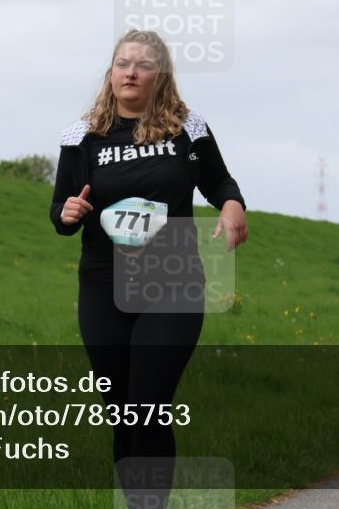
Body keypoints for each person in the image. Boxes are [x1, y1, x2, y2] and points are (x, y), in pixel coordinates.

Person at [50, 29, 247, 506]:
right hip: (103, 285)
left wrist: (232, 205)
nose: (131, 71)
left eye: (142, 64)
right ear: (110, 73)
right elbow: (61, 209)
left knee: (148, 405)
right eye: (122, 63)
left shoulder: (187, 129)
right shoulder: (83, 137)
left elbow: (218, 180)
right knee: (122, 411)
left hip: (172, 282)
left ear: (161, 76)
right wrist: (67, 214)